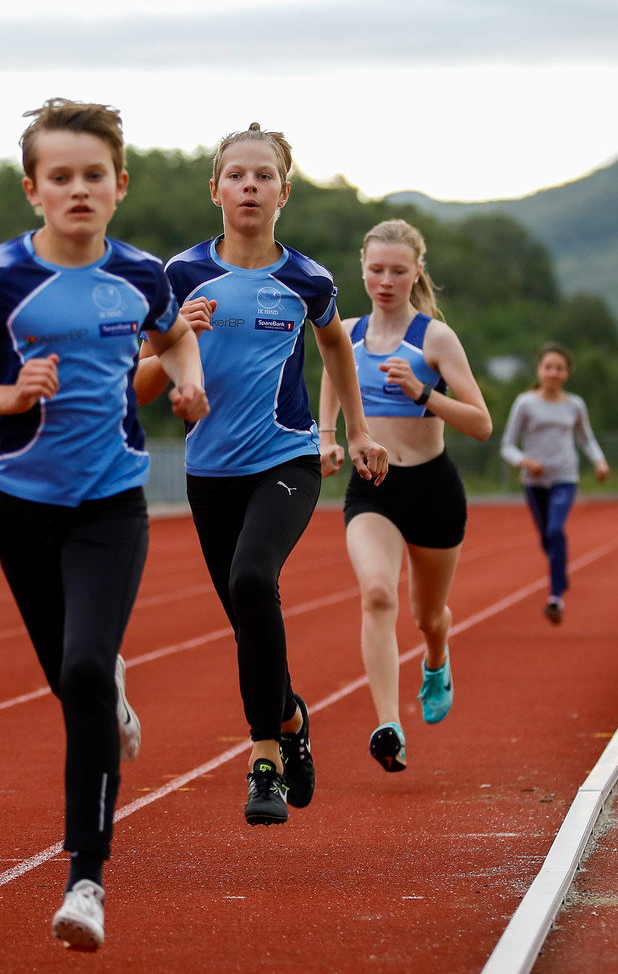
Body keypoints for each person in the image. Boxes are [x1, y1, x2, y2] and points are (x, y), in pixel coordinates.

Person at [0, 99, 207, 952]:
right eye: (60, 176)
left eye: (94, 175)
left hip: (112, 503)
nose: (78, 189)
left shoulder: (143, 274)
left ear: (120, 185)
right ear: (33, 189)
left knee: (81, 670)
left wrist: (184, 380)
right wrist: (4, 395)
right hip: (25, 509)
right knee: (71, 680)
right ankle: (105, 682)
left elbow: (173, 339)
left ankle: (87, 877)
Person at [135, 123, 389, 825]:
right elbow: (139, 386)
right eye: (236, 175)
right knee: (249, 624)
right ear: (215, 188)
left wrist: (355, 430)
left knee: (253, 579)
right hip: (208, 472)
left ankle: (265, 761)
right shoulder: (176, 277)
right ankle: (293, 719)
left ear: (283, 190)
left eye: (263, 176)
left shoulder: (306, 279)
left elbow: (337, 344)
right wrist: (176, 336)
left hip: (286, 458)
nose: (250, 186)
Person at [317, 219, 492, 772]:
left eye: (397, 270)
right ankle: (389, 724)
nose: (385, 280)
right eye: (375, 270)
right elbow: (328, 378)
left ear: (417, 270)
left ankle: (437, 660)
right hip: (375, 490)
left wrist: (423, 392)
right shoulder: (345, 332)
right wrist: (327, 436)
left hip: (434, 489)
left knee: (427, 616)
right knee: (376, 594)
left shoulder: (435, 338)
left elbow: (483, 423)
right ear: (362, 269)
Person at [498, 341, 608, 624]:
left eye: (560, 368)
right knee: (547, 538)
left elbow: (586, 438)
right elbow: (507, 445)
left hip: (565, 478)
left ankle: (555, 598)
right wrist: (524, 462)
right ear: (539, 370)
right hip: (535, 483)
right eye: (548, 367)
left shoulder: (575, 405)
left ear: (567, 373)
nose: (553, 373)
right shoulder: (525, 403)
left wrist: (599, 460)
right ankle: (560, 573)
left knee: (556, 530)